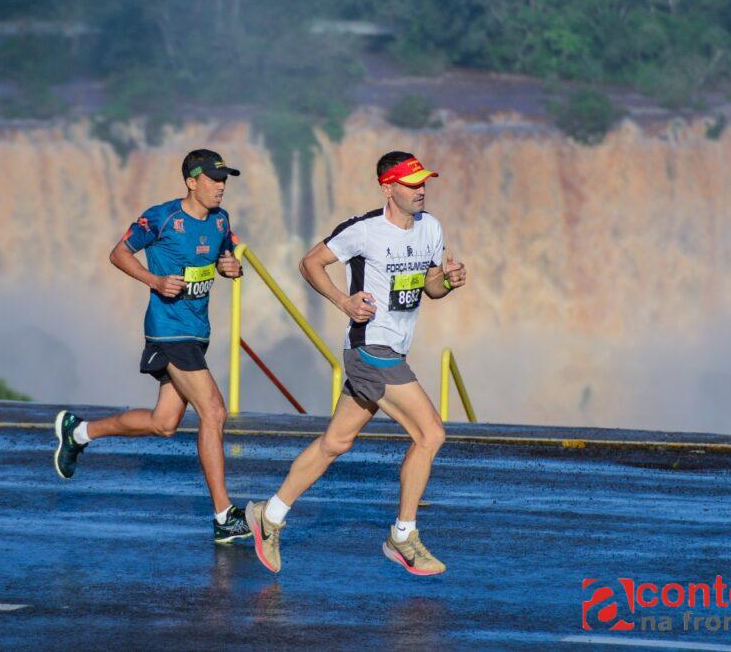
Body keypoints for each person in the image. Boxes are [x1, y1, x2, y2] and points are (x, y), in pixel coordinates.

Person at [246, 151, 467, 575]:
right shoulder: (363, 230)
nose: (420, 190)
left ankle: (267, 516)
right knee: (430, 434)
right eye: (411, 183)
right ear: (388, 188)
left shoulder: (431, 227)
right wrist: (343, 301)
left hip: (393, 351)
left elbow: (430, 287)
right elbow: (310, 263)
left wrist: (449, 281)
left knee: (336, 443)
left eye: (423, 182)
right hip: (370, 351)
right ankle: (402, 536)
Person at [53, 148, 252, 544]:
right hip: (168, 332)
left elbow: (223, 256)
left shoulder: (221, 219)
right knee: (214, 412)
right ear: (191, 182)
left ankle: (79, 433)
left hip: (197, 331)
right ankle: (223, 515)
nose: (220, 186)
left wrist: (230, 267)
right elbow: (118, 254)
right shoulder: (162, 217)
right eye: (214, 179)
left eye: (224, 179)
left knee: (164, 424)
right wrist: (155, 281)